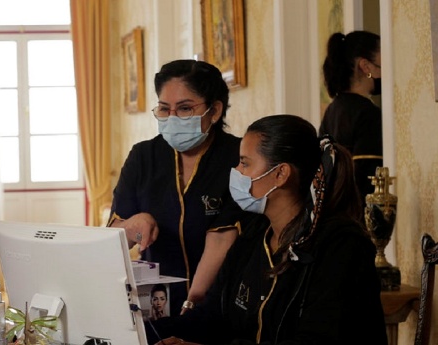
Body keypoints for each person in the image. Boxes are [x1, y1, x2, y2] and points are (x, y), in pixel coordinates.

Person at [148, 114, 387, 345]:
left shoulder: (342, 246)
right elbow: (214, 317)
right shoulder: (253, 236)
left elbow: (318, 339)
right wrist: (143, 330)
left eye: (244, 163)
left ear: (280, 174)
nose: (236, 172)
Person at [109, 60, 244, 317]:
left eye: (184, 109)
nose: (172, 119)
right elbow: (113, 236)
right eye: (163, 109)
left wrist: (192, 306)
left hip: (218, 303)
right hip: (154, 304)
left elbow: (221, 239)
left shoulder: (238, 157)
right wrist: (133, 226)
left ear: (214, 110)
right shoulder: (143, 157)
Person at [320, 30, 382, 202]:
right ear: (366, 66)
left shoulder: (331, 111)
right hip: (356, 214)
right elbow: (368, 179)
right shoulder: (368, 114)